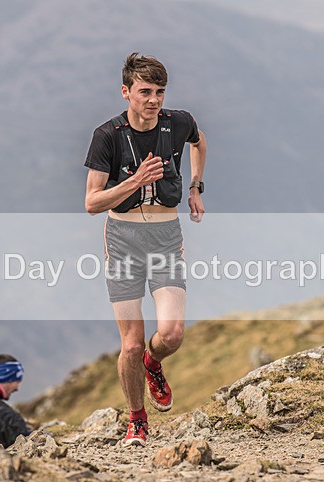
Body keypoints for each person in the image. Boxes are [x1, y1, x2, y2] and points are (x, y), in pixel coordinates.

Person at [84, 53, 207, 446]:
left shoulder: (178, 122)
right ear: (126, 93)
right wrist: (134, 182)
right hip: (122, 240)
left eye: (159, 92)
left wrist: (195, 188)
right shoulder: (107, 135)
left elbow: (200, 142)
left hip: (166, 237)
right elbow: (92, 202)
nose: (153, 100)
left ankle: (155, 365)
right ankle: (137, 420)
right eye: (144, 92)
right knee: (131, 343)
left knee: (170, 334)